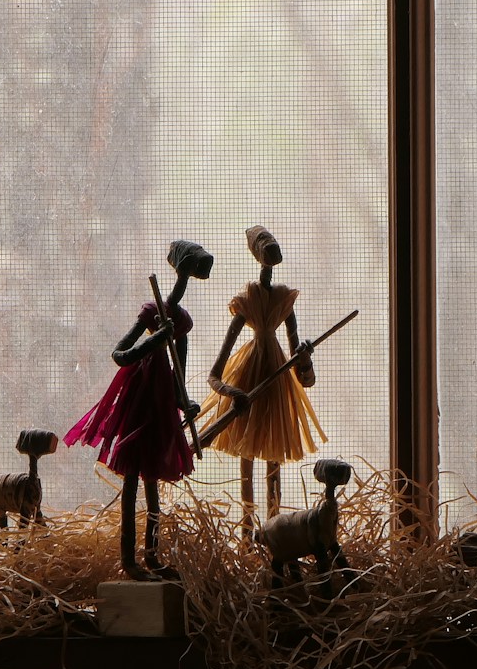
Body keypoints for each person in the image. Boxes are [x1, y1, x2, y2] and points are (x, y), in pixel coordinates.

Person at [67, 240, 213, 579]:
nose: (186, 280)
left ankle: (151, 555)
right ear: (179, 269)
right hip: (140, 397)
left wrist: (184, 401)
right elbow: (120, 355)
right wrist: (153, 340)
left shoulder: (182, 321)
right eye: (186, 272)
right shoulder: (151, 312)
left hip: (161, 402)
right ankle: (130, 561)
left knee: (152, 485)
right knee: (133, 482)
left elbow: (180, 369)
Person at [196, 225, 323, 530]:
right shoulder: (247, 302)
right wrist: (232, 392)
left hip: (276, 390)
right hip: (248, 385)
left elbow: (304, 379)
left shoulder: (283, 301)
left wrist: (304, 359)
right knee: (247, 463)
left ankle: (273, 532)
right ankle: (247, 533)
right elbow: (214, 375)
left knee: (273, 465)